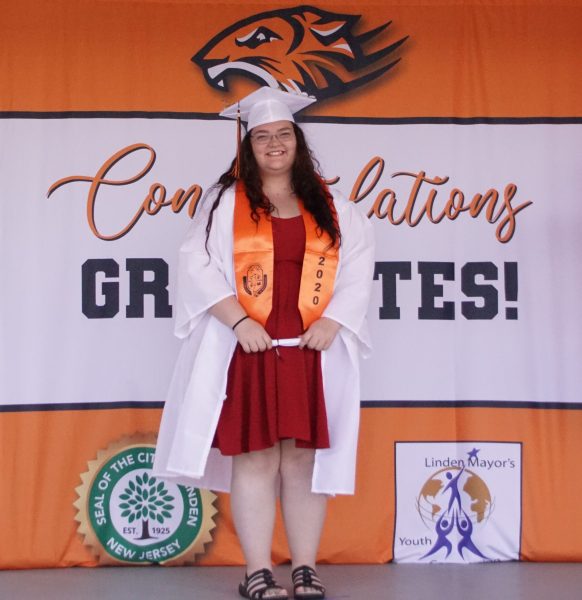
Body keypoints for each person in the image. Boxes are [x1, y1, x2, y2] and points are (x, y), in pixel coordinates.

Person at [153, 87, 375, 600]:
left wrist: (335, 320)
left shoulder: (333, 207)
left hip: (309, 350)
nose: (274, 144)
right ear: (248, 147)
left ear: (298, 141)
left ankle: (305, 568)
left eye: (283, 135)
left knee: (301, 461)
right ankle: (257, 571)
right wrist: (238, 322)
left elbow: (358, 267)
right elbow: (195, 266)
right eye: (262, 137)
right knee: (255, 458)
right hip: (250, 349)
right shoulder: (224, 204)